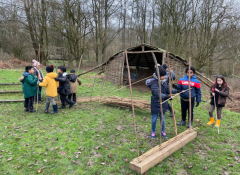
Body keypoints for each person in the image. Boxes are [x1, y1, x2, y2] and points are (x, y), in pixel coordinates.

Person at [146, 66, 177, 139]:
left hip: (163, 102)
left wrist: (177, 90)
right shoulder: (153, 83)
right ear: (158, 76)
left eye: (164, 75)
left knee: (162, 119)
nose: (164, 76)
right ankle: (153, 131)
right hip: (155, 102)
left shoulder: (164, 82)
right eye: (163, 75)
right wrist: (168, 97)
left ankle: (162, 131)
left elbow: (167, 91)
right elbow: (157, 93)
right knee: (154, 118)